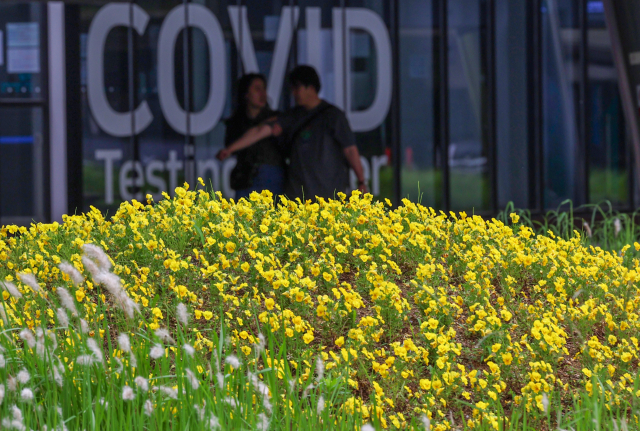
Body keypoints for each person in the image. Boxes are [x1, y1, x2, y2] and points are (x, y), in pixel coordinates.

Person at [217, 65, 367, 201]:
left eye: (297, 88)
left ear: (310, 87)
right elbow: (260, 131)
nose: (294, 93)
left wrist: (361, 181)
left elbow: (350, 150)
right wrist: (231, 149)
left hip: (328, 195)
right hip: (297, 196)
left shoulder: (334, 116)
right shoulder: (293, 116)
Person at [224, 73, 285, 200]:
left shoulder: (275, 118)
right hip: (245, 179)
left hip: (271, 178)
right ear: (246, 94)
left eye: (264, 89)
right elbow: (229, 146)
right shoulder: (236, 122)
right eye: (257, 89)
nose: (263, 94)